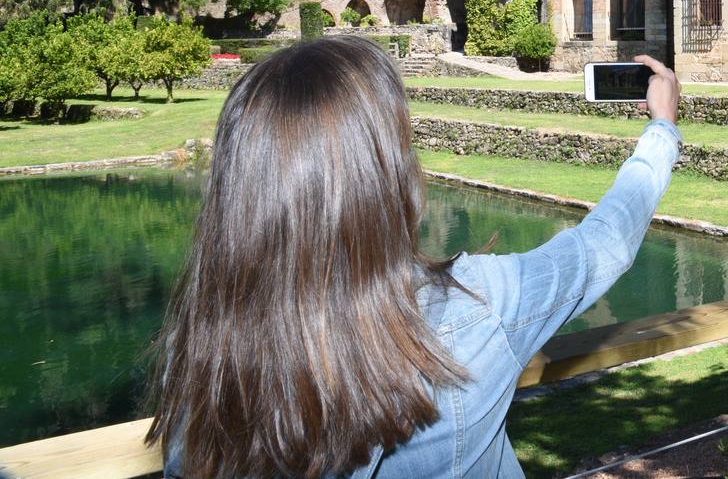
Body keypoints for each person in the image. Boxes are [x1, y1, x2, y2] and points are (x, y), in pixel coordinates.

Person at [146, 37, 682, 478]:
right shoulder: (478, 304)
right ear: (387, 176)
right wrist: (661, 128)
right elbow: (605, 241)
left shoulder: (204, 347)